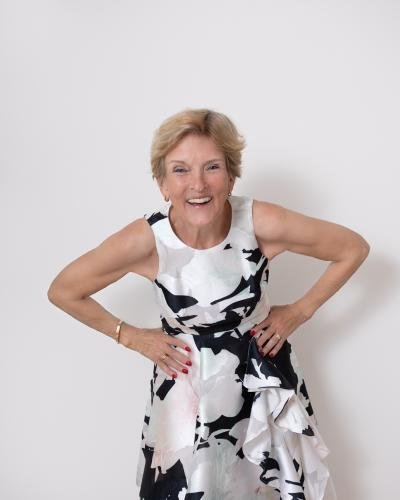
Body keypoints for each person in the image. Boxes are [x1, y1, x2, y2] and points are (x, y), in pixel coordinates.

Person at [47, 108, 369, 499]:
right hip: (187, 393)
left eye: (212, 167)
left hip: (261, 387)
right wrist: (130, 336)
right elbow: (63, 289)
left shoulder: (260, 221)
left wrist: (300, 311)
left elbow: (352, 248)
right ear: (162, 183)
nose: (197, 184)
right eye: (180, 170)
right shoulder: (146, 240)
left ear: (231, 176)